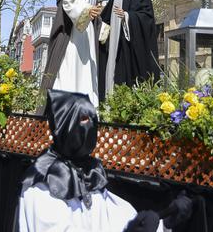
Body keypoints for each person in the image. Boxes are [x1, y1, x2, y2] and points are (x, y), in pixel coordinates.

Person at [18, 90, 192, 232]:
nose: (90, 128)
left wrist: (165, 223)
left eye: (93, 120)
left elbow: (115, 219)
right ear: (66, 127)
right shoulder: (42, 184)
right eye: (83, 121)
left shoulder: (89, 171)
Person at [42, 0, 102, 106]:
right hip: (72, 32)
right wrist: (86, 10)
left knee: (86, 73)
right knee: (70, 69)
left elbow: (92, 7)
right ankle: (66, 110)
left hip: (87, 32)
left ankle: (85, 111)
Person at [98, 0, 161, 100]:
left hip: (127, 44)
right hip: (113, 43)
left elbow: (147, 17)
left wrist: (128, 16)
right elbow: (105, 19)